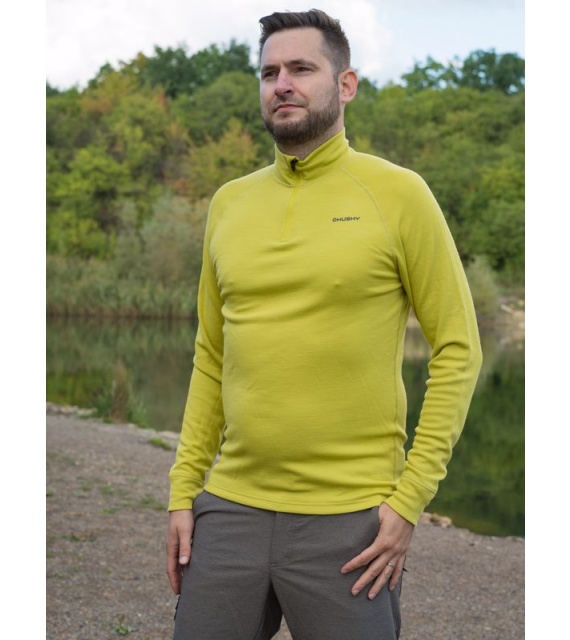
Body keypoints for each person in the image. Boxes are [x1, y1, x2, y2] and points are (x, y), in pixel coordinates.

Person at [166, 8, 482, 640]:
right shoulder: (229, 203)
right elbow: (211, 355)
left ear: (346, 85)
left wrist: (408, 500)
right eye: (269, 73)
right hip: (230, 507)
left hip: (351, 520)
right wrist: (183, 491)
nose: (282, 84)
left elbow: (457, 348)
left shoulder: (399, 194)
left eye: (301, 69)